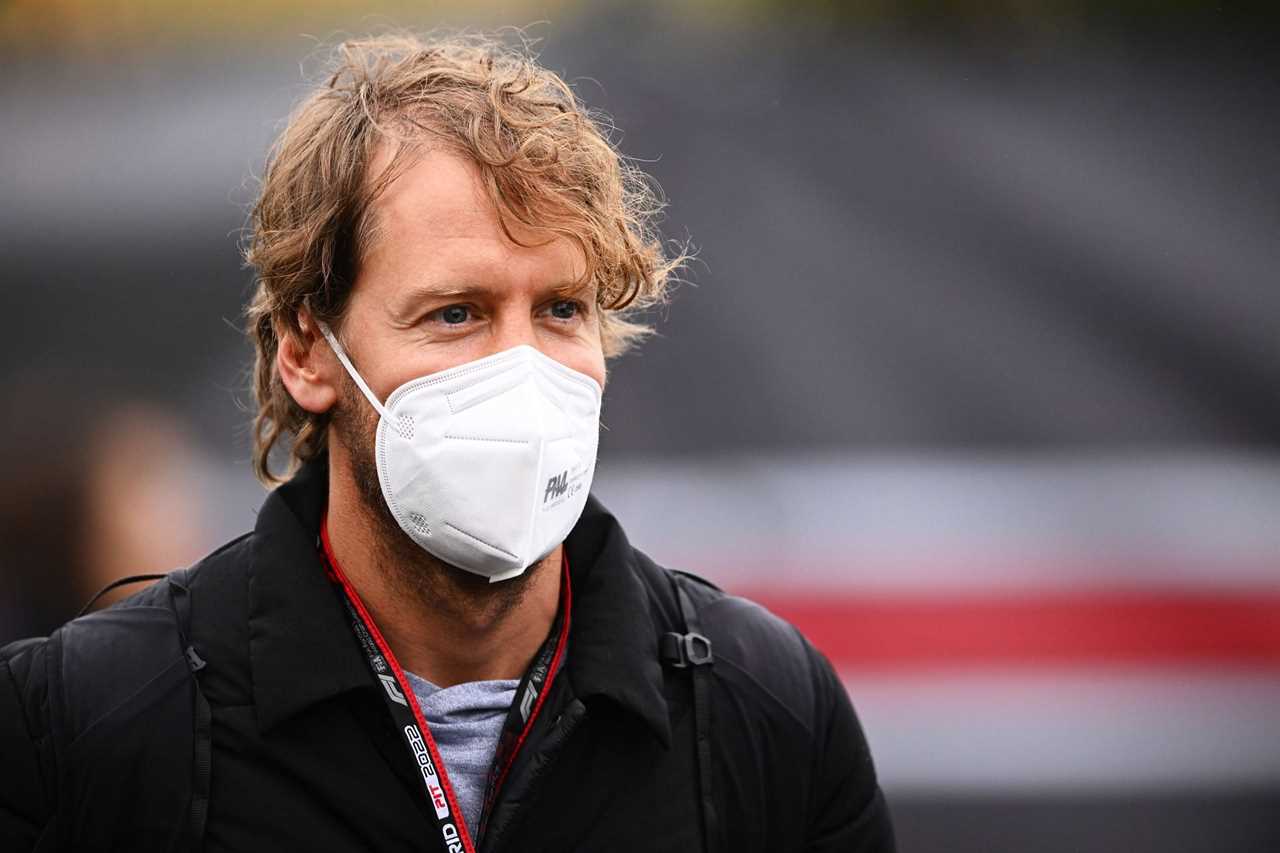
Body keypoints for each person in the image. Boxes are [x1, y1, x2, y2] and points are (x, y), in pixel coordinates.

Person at [0, 33, 894, 852]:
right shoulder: (85, 725)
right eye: (455, 313)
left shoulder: (764, 711)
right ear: (308, 352)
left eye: (561, 310)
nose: (520, 369)